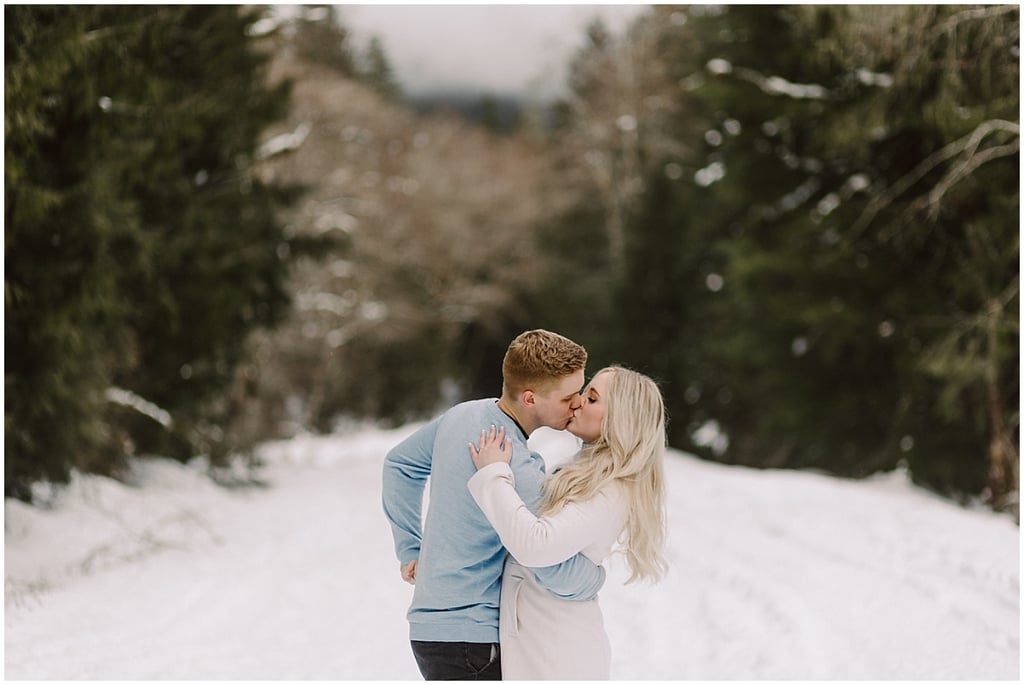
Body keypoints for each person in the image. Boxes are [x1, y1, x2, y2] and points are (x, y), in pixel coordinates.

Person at [382, 329, 608, 680]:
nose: (577, 403)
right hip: (474, 639)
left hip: (428, 629)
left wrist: (410, 549)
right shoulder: (513, 462)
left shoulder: (462, 416)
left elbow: (399, 464)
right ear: (530, 398)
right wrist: (594, 576)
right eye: (568, 397)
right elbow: (547, 563)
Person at [467, 365, 669, 680]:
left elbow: (535, 546)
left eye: (591, 398)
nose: (576, 402)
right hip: (542, 642)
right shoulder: (581, 471)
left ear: (620, 418)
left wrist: (493, 475)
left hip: (560, 653)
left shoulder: (611, 489)